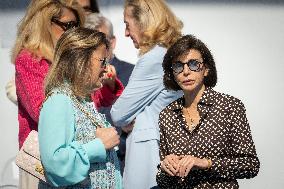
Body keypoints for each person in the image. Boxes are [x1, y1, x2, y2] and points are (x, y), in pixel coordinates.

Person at [11, 0, 122, 188]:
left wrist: (104, 84)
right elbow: (45, 111)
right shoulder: (32, 62)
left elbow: (91, 103)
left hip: (76, 166)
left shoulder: (73, 90)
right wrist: (97, 143)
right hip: (39, 162)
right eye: (68, 25)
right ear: (45, 23)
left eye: (77, 25)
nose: (74, 31)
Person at [156, 35, 260, 188]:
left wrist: (206, 163)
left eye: (193, 64)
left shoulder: (230, 107)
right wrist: (165, 169)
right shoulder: (167, 115)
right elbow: (164, 183)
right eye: (178, 66)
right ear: (172, 74)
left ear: (206, 69)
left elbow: (250, 165)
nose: (186, 71)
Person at [110, 0, 183, 188]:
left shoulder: (153, 59)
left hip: (150, 152)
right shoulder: (168, 53)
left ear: (143, 22)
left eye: (127, 24)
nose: (126, 33)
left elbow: (118, 114)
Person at [38, 27, 122, 189]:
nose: (106, 67)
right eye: (102, 61)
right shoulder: (59, 101)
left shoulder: (82, 100)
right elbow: (55, 164)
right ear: (80, 60)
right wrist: (99, 145)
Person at [85, 13, 135, 173]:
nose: (96, 46)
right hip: (86, 163)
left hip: (121, 163)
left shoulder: (132, 73)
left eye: (102, 40)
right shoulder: (78, 77)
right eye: (89, 41)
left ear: (112, 42)